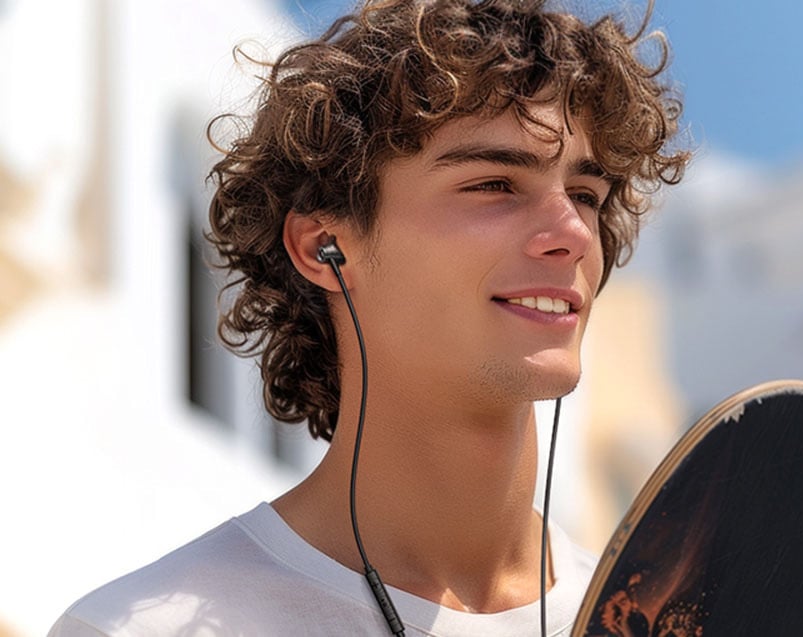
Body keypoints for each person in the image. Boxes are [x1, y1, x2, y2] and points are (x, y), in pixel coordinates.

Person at [49, 0, 687, 634]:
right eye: (494, 184)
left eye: (585, 195)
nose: (573, 233)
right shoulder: (135, 628)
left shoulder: (665, 622)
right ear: (323, 247)